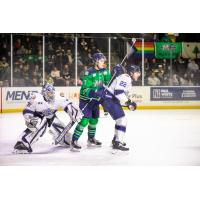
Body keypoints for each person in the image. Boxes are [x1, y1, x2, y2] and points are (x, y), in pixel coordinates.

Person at [13, 83, 83, 154]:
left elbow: (68, 105)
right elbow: (27, 110)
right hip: (38, 117)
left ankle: (61, 139)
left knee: (67, 140)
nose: (52, 94)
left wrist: (75, 112)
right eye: (49, 93)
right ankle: (22, 142)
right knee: (38, 125)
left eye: (52, 92)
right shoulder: (36, 98)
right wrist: (30, 119)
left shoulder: (58, 97)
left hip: (51, 117)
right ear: (44, 93)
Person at [71, 52, 111, 151]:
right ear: (96, 61)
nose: (103, 63)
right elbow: (85, 90)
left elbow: (109, 84)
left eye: (104, 61)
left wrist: (116, 74)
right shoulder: (89, 73)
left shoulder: (105, 71)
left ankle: (91, 139)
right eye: (101, 61)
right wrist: (96, 94)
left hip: (96, 101)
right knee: (84, 120)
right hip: (86, 101)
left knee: (94, 120)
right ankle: (74, 141)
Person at [100, 64, 141, 151]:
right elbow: (118, 92)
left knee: (120, 120)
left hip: (110, 99)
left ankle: (116, 140)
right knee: (122, 120)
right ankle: (117, 142)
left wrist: (129, 102)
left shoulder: (126, 78)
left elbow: (120, 93)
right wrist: (129, 102)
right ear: (131, 73)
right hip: (109, 99)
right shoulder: (126, 77)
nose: (139, 74)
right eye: (137, 72)